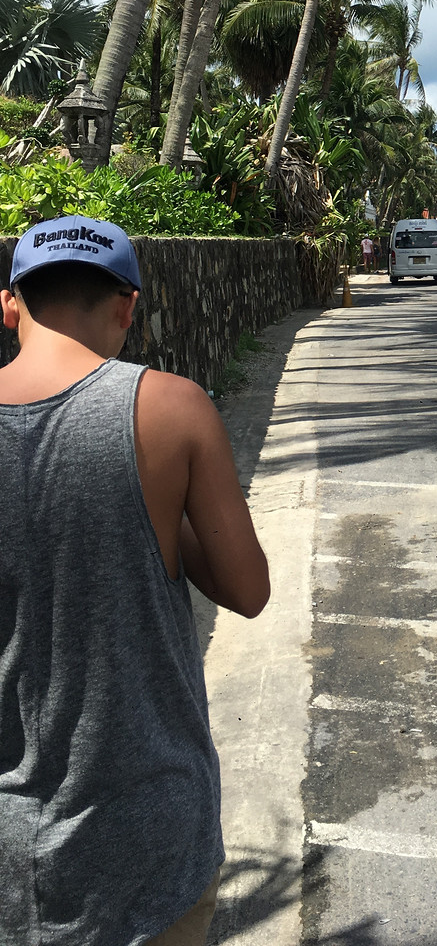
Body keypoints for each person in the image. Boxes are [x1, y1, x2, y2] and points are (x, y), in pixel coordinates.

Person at [0, 215, 271, 946]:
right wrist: (161, 507)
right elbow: (247, 590)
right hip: (153, 830)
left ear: (9, 306)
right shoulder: (170, 408)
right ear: (127, 308)